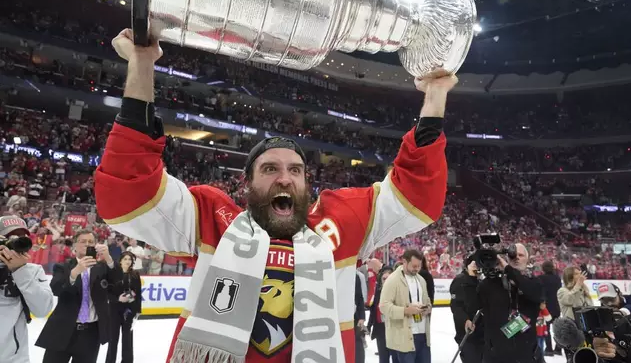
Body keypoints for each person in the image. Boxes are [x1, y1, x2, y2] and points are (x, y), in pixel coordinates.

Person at [95, 28, 452, 363]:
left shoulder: (343, 222)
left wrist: (435, 97)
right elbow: (128, 193)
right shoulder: (212, 220)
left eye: (295, 170)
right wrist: (141, 64)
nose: (285, 179)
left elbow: (417, 195)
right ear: (247, 184)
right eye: (270, 169)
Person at [36, 230, 122, 363]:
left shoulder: (102, 268)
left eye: (91, 242)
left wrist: (109, 258)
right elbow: (56, 289)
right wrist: (75, 272)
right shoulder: (63, 267)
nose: (87, 245)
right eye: (83, 242)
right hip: (62, 330)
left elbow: (118, 281)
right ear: (74, 245)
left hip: (91, 333)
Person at [0, 216, 55, 363]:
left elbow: (43, 310)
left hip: (14, 357)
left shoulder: (34, 271)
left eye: (20, 238)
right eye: (9, 238)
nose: (14, 243)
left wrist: (20, 271)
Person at [477, 243, 544, 363]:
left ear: (527, 259)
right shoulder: (492, 283)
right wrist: (470, 276)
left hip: (526, 355)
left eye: (521, 255)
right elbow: (474, 303)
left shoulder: (535, 282)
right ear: (507, 258)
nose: (516, 257)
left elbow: (531, 291)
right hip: (496, 356)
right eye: (513, 255)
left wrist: (508, 270)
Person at [379, 249, 432, 363]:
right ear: (404, 262)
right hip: (403, 337)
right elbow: (384, 306)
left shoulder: (421, 280)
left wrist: (427, 309)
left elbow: (428, 301)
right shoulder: (392, 280)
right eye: (414, 266)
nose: (417, 269)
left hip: (423, 335)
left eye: (419, 266)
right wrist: (406, 311)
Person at [106, 251, 142, 363]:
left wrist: (137, 311)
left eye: (130, 259)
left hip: (129, 311)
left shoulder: (135, 274)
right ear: (120, 260)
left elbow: (139, 293)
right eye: (125, 259)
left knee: (127, 338)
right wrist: (117, 299)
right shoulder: (113, 273)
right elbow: (107, 292)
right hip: (114, 310)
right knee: (113, 339)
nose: (127, 261)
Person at [449, 256, 483, 363]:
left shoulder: (481, 281)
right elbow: (456, 306)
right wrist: (465, 320)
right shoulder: (460, 281)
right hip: (468, 335)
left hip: (483, 334)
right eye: (476, 264)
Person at [368, 266, 398, 363]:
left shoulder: (398, 292)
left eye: (389, 278)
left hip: (394, 329)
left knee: (396, 358)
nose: (386, 281)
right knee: (383, 359)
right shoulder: (378, 291)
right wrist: (369, 326)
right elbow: (373, 310)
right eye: (384, 278)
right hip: (380, 329)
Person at [537, 260, 562, 356]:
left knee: (546, 329)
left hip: (545, 307)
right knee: (557, 329)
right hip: (556, 306)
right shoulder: (557, 278)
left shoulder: (540, 278)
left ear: (543, 269)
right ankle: (558, 348)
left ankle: (549, 349)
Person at [355, 274, 366, 363]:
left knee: (358, 351)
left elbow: (360, 298)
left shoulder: (356, 277)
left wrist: (362, 317)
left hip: (354, 319)